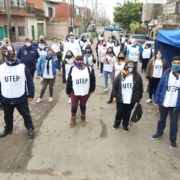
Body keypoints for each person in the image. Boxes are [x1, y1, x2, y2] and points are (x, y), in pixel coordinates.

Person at [0, 50, 35, 138]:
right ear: (6, 58)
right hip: (6, 97)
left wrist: (31, 94)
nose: (12, 59)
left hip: (20, 97)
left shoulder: (22, 67)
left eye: (13, 56)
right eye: (10, 57)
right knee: (7, 116)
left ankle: (30, 128)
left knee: (26, 114)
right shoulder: (1, 68)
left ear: (16, 56)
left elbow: (29, 81)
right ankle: (8, 129)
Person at [152, 56, 180, 149]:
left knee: (174, 123)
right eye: (174, 63)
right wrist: (156, 101)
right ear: (171, 63)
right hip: (164, 102)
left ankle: (173, 140)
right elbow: (159, 87)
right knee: (162, 119)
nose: (176, 65)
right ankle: (159, 132)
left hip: (175, 105)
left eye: (178, 63)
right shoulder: (166, 74)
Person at [112, 61, 143, 131]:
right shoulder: (121, 74)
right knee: (119, 112)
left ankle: (125, 124)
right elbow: (115, 86)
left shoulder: (137, 76)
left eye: (132, 65)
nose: (130, 67)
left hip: (131, 99)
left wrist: (139, 97)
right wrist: (114, 96)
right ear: (125, 66)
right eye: (129, 65)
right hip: (121, 98)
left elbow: (140, 87)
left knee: (128, 113)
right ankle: (117, 123)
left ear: (134, 67)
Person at [66, 56, 96, 128]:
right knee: (74, 106)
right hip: (75, 91)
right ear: (75, 61)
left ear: (83, 61)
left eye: (81, 60)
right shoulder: (72, 69)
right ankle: (73, 119)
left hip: (85, 91)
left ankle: (83, 118)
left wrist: (92, 89)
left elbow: (93, 80)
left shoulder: (89, 68)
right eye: (77, 60)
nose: (79, 62)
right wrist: (68, 91)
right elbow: (69, 80)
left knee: (83, 105)